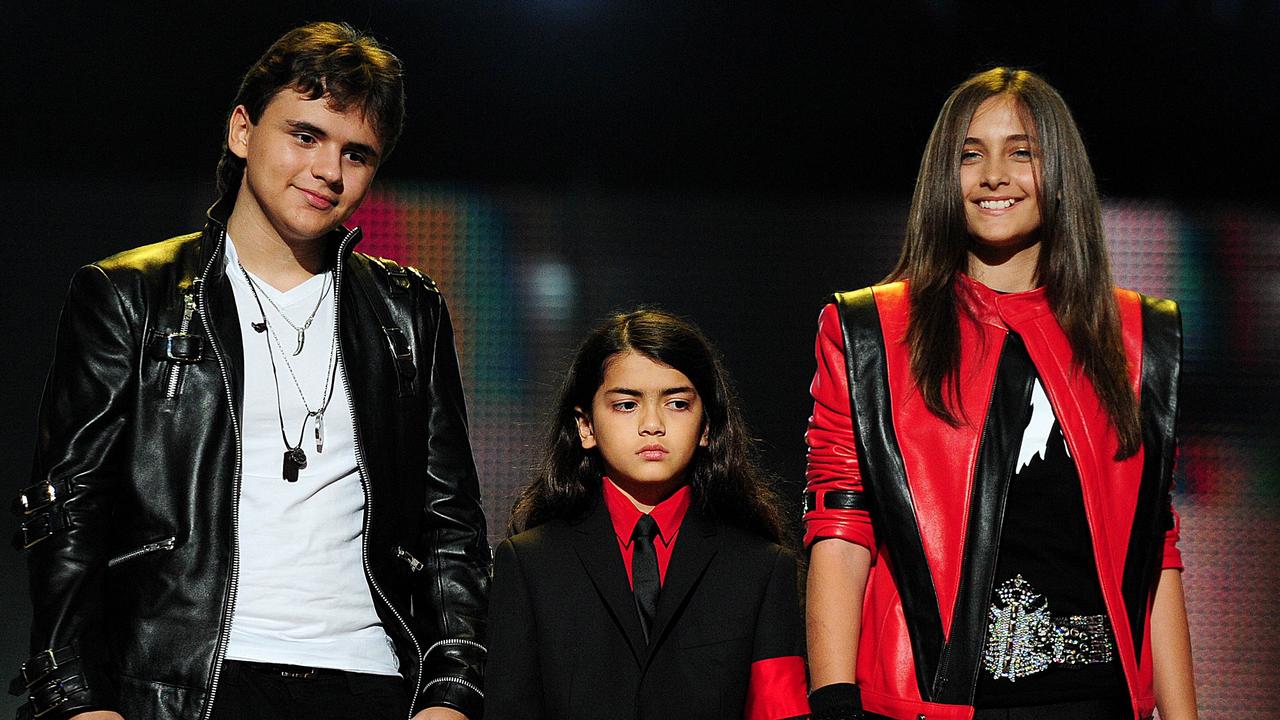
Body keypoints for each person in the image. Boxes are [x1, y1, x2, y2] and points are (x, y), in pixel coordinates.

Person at [11, 22, 488, 720]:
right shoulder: (129, 295)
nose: (329, 169)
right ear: (242, 130)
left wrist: (451, 693)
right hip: (184, 684)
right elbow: (70, 511)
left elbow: (449, 524)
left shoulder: (408, 311)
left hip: (372, 681)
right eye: (305, 135)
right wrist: (77, 699)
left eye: (357, 152)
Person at [803, 68, 1197, 720]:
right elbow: (841, 530)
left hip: (1094, 701)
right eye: (970, 153)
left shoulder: (1139, 336)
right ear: (942, 176)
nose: (993, 175)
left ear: (1060, 172)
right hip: (936, 705)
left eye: (1022, 152)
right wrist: (835, 703)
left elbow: (1155, 547)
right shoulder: (870, 332)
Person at [484, 309, 809, 720]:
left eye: (676, 404)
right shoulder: (531, 563)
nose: (652, 425)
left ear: (706, 425)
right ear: (585, 425)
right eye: (625, 405)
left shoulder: (760, 568)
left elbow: (778, 712)